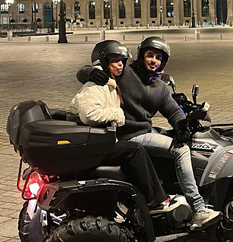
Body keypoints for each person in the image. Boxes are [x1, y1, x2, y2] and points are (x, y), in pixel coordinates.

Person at [77, 37, 221, 230]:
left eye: (159, 58)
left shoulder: (160, 87)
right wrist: (90, 72)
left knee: (169, 136)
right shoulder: (126, 73)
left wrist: (181, 126)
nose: (154, 60)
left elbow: (172, 109)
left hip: (144, 131)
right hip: (129, 136)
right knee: (181, 150)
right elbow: (94, 68)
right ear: (141, 56)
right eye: (150, 55)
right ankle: (198, 208)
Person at [69, 40, 179, 213]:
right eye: (115, 61)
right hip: (97, 144)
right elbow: (89, 115)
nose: (120, 65)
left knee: (141, 145)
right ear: (103, 63)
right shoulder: (97, 86)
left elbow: (172, 108)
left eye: (122, 61)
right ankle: (156, 201)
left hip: (101, 139)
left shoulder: (112, 84)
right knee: (136, 150)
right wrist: (119, 115)